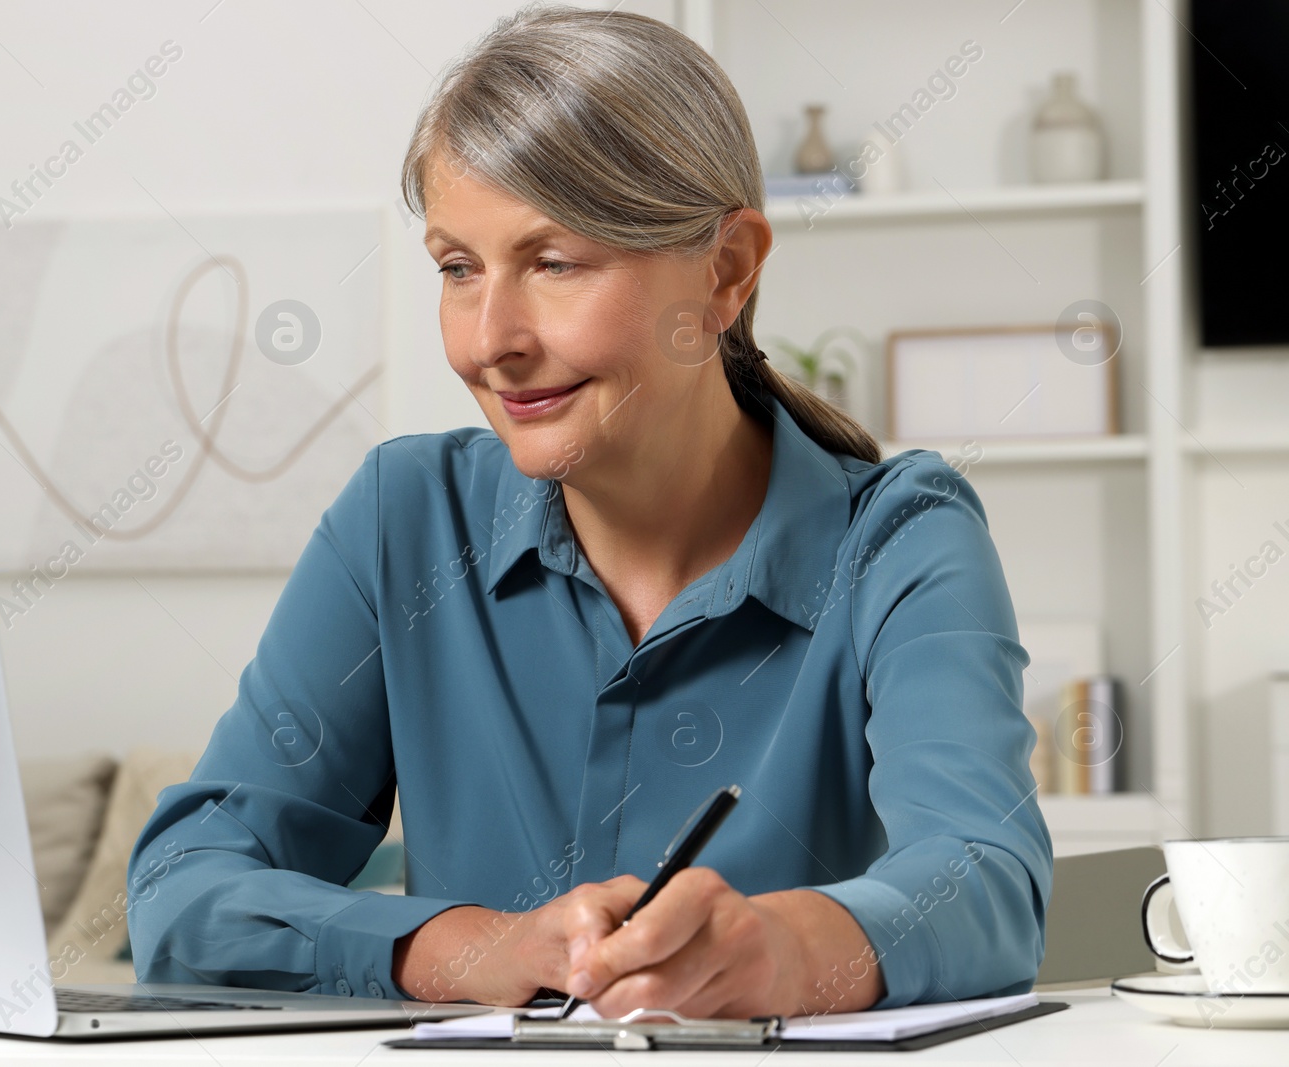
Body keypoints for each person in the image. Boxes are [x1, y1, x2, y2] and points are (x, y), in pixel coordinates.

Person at [127, 3, 1050, 1020]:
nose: (490, 340)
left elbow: (983, 879)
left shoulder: (901, 539)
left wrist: (781, 951)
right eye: (457, 267)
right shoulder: (403, 518)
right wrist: (471, 946)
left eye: (554, 262)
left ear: (725, 271)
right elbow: (184, 881)